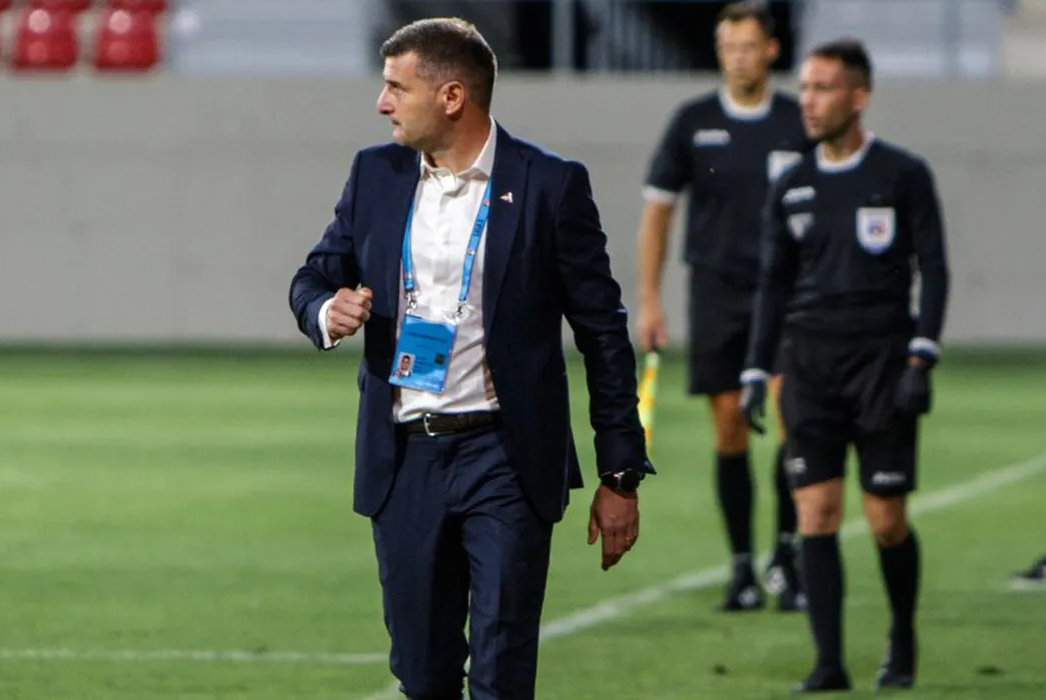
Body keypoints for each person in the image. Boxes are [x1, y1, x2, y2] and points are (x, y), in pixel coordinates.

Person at [287, 18, 656, 700]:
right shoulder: (375, 174)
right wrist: (324, 311)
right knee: (423, 676)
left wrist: (620, 472)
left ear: (452, 96)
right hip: (405, 459)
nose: (381, 103)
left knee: (501, 669)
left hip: (506, 458)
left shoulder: (549, 185)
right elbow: (313, 277)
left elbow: (602, 333)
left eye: (397, 87)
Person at [739, 38, 950, 693]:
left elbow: (934, 269)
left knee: (886, 520)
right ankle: (828, 663)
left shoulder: (902, 173)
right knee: (816, 513)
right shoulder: (791, 184)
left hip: (882, 364)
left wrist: (922, 354)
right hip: (807, 365)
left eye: (823, 88)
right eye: (804, 87)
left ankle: (902, 635)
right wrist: (755, 369)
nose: (807, 101)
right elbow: (773, 284)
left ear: (859, 97)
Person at [634, 0, 810, 613]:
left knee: (792, 421)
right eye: (728, 48)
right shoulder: (693, 121)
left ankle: (786, 558)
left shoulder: (798, 120)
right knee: (730, 427)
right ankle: (742, 569)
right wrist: (650, 299)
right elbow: (658, 212)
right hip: (717, 294)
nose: (738, 58)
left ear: (771, 51)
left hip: (787, 295)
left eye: (748, 47)